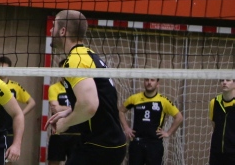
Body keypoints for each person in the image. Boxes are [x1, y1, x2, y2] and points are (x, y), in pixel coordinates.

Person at [47, 10, 126, 165]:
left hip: (101, 145)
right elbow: (102, 96)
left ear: (63, 31)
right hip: (107, 142)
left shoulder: (76, 60)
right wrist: (69, 110)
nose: (50, 30)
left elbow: (90, 105)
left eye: (54, 26)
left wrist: (66, 122)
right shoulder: (88, 55)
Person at [119, 78, 183, 165]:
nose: (149, 82)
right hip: (137, 143)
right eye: (147, 80)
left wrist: (168, 133)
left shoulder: (163, 101)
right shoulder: (134, 98)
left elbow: (179, 117)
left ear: (157, 84)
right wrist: (126, 128)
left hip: (154, 144)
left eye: (152, 80)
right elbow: (121, 111)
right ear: (144, 82)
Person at [0, 56, 36, 149]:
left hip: (10, 128)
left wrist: (20, 114)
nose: (3, 71)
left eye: (5, 68)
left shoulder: (15, 86)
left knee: (10, 155)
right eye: (0, 68)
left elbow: (32, 102)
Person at [46, 69, 80, 165]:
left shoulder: (78, 88)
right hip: (58, 132)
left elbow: (83, 106)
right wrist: (74, 108)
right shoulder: (54, 88)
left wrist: (63, 108)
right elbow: (55, 109)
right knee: (53, 161)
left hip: (77, 133)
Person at [208, 78, 235, 165]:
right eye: (222, 80)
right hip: (217, 153)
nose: (224, 82)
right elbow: (214, 125)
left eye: (228, 80)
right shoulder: (214, 102)